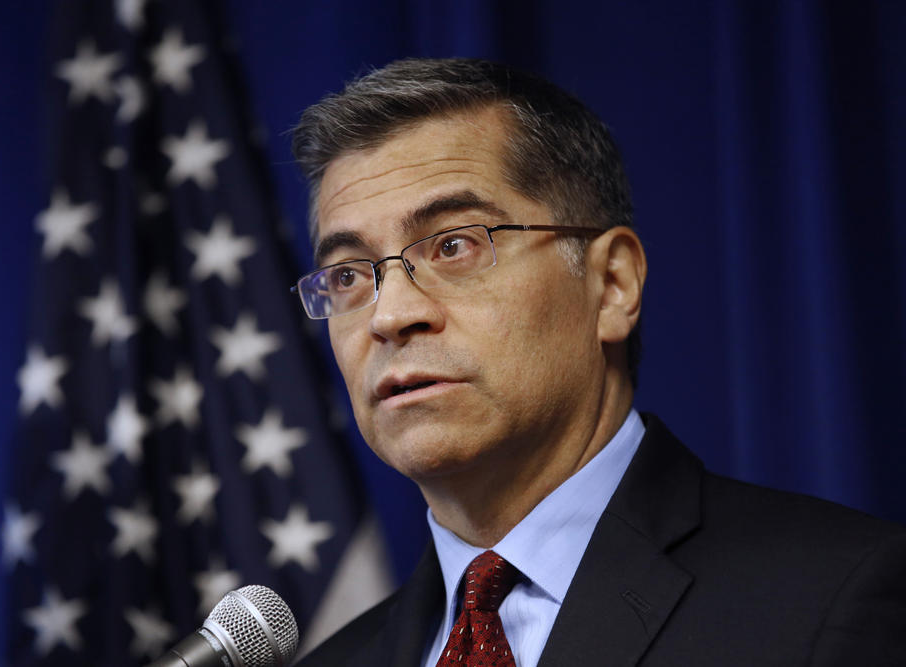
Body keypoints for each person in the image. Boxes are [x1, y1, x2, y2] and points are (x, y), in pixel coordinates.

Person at [288, 58, 906, 666]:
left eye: (455, 245)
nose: (389, 315)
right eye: (346, 276)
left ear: (612, 284)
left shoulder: (834, 600)